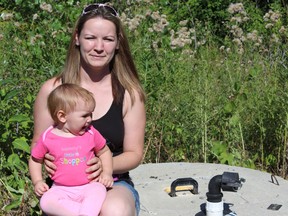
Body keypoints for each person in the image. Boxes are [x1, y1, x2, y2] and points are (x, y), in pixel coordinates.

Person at [31, 2, 146, 216]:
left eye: (108, 39)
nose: (99, 47)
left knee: (114, 210)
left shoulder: (129, 93)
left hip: (114, 182)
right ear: (77, 38)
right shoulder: (52, 90)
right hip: (64, 188)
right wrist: (45, 160)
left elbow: (134, 154)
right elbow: (39, 143)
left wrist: (104, 163)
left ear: (118, 43)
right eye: (91, 37)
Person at [29, 83, 114, 216]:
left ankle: (86, 212)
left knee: (98, 190)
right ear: (62, 116)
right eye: (84, 115)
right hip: (61, 188)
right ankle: (83, 212)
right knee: (46, 201)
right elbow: (35, 159)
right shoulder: (48, 137)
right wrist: (38, 181)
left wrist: (107, 172)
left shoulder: (90, 133)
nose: (90, 120)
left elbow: (104, 151)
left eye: (90, 114)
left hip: (89, 185)